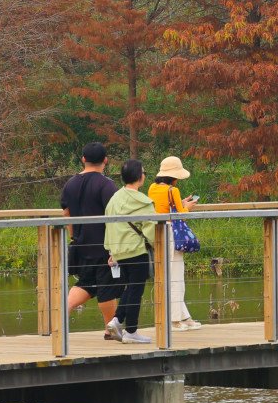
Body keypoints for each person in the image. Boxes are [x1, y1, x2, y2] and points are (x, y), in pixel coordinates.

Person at [59, 142, 124, 336]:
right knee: (107, 288)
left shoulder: (70, 183)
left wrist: (73, 237)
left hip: (81, 243)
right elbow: (114, 215)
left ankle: (60, 312)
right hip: (103, 244)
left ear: (83, 159)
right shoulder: (106, 185)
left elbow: (66, 213)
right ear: (105, 160)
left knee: (85, 283)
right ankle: (110, 330)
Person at [102, 159, 155, 343]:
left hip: (119, 251)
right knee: (136, 289)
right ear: (140, 177)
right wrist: (156, 245)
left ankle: (117, 321)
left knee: (130, 288)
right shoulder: (144, 202)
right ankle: (131, 331)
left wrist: (111, 251)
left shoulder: (114, 199)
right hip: (136, 250)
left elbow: (108, 225)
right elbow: (151, 230)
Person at [149, 155, 202, 331]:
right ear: (174, 176)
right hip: (172, 233)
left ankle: (183, 316)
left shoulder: (152, 188)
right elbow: (181, 214)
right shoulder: (173, 190)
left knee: (171, 276)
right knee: (176, 277)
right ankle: (173, 320)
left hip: (159, 232)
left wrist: (181, 203)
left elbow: (162, 207)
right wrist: (188, 206)